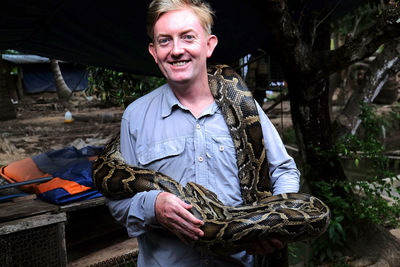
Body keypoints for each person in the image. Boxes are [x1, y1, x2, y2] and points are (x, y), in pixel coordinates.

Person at [107, 0, 300, 266]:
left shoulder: (246, 106)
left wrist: (274, 219)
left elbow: (284, 171)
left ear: (209, 45)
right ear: (153, 51)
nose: (177, 50)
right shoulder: (135, 117)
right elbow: (117, 204)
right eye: (165, 41)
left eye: (188, 37)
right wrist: (153, 208)